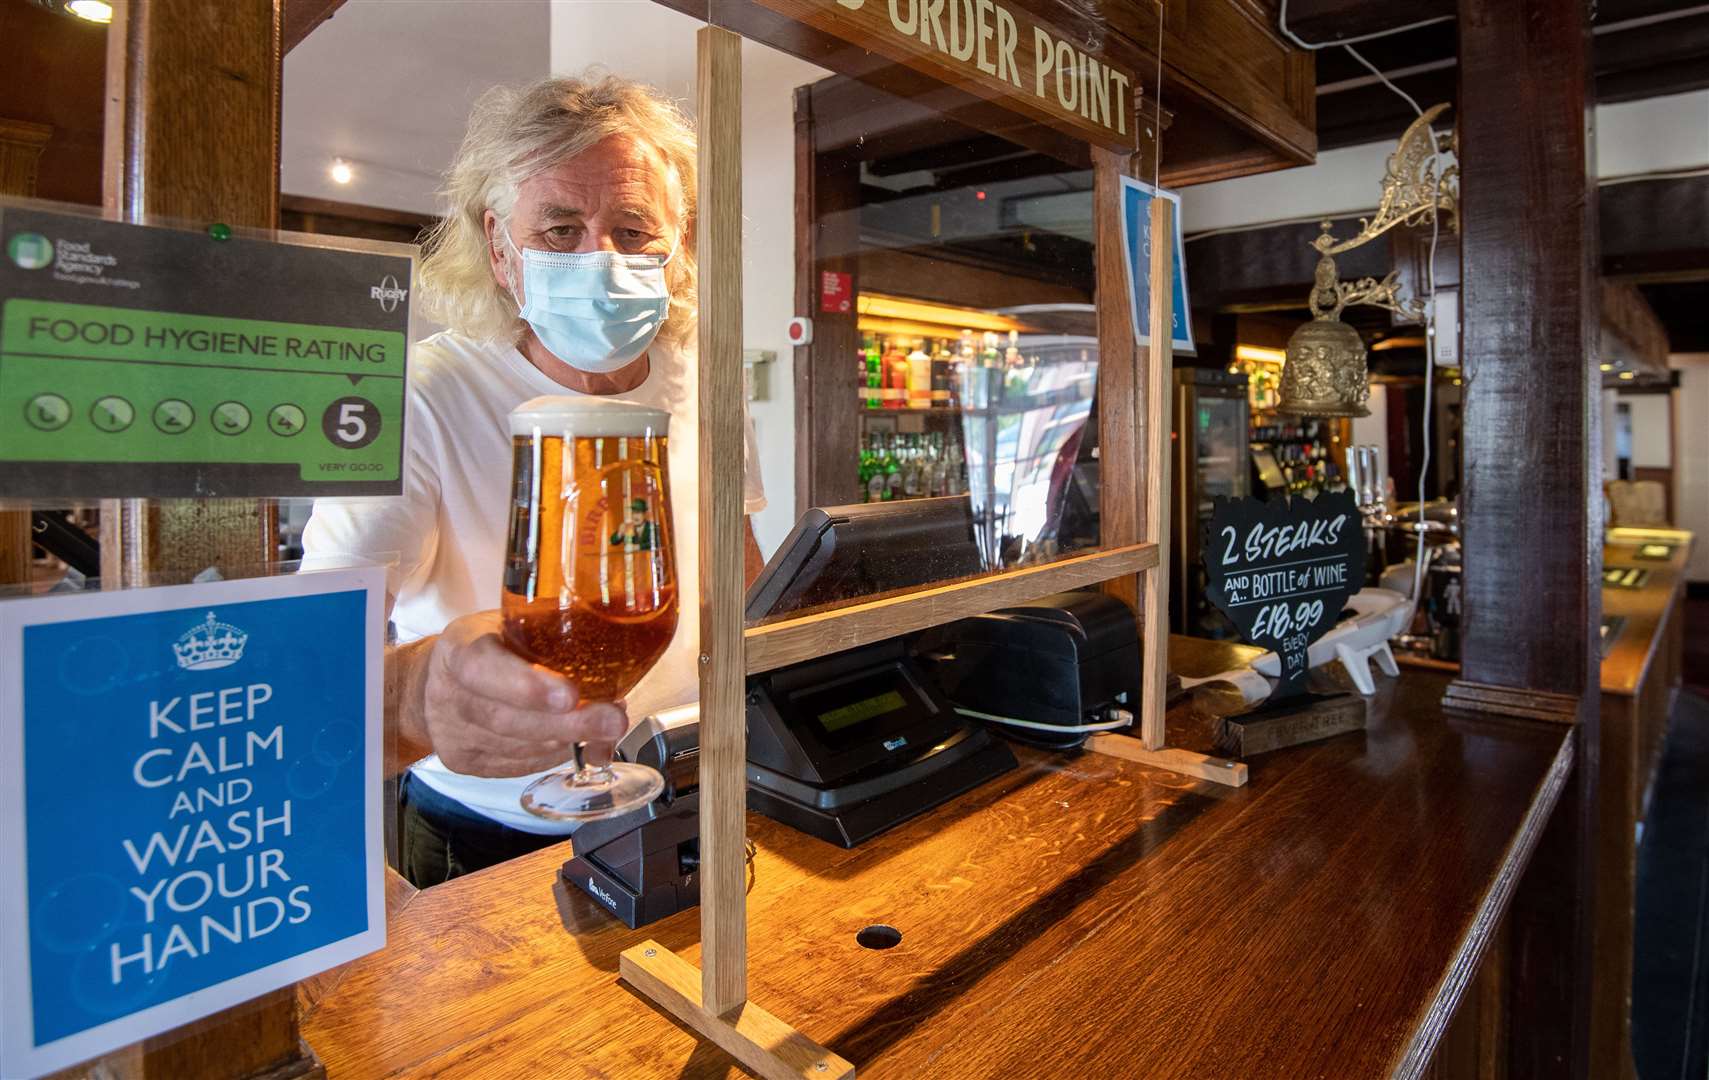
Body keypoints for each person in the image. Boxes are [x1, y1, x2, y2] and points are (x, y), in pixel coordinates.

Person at [304, 75, 766, 888]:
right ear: (498, 248)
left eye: (632, 229)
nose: (601, 258)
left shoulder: (706, 384)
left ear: (679, 245)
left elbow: (741, 584)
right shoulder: (416, 396)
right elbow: (313, 653)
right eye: (558, 229)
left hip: (678, 797)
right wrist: (418, 699)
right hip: (484, 825)